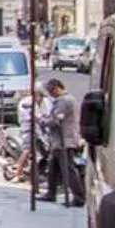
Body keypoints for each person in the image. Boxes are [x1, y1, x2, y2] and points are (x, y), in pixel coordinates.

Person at [39, 77, 83, 206]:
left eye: (51, 91)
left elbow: (56, 121)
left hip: (65, 140)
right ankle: (51, 193)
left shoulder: (65, 101)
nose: (50, 94)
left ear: (57, 88)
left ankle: (79, 197)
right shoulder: (63, 101)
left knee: (68, 169)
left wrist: (42, 121)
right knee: (53, 168)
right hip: (58, 141)